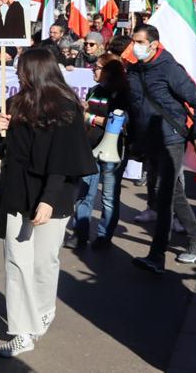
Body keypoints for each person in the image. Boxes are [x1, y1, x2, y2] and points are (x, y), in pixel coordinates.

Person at [0, 48, 96, 358]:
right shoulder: (14, 105)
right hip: (17, 193)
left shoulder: (66, 108)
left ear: (37, 71)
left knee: (44, 261)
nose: (19, 74)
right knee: (16, 262)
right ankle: (22, 331)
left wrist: (48, 200)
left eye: (24, 69)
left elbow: (64, 159)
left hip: (53, 196)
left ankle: (45, 308)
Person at [126, 24, 196, 273]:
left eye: (140, 42)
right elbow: (134, 104)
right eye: (133, 41)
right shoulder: (133, 70)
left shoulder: (169, 68)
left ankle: (157, 255)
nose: (135, 46)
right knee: (174, 194)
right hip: (148, 140)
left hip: (171, 140)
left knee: (164, 196)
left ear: (153, 44)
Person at [69, 53, 130, 251]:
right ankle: (81, 233)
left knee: (109, 197)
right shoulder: (94, 90)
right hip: (90, 148)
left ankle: (104, 236)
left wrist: (90, 117)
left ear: (108, 72)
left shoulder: (122, 95)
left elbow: (119, 123)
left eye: (97, 67)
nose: (93, 69)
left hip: (114, 151)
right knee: (85, 192)